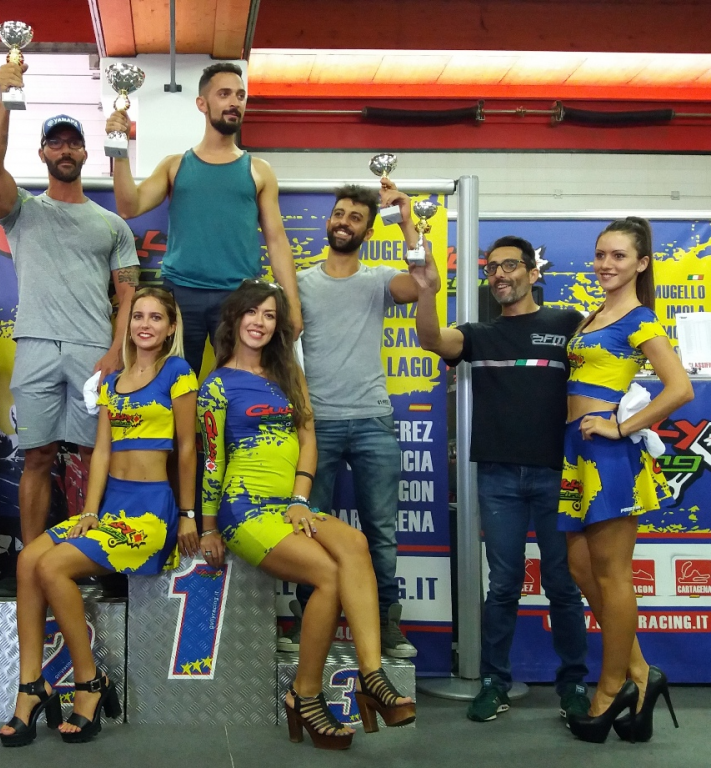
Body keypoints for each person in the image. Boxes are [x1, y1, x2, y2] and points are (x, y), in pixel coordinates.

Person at [198, 281, 415, 751]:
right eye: (252, 312)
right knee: (327, 576)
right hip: (245, 508)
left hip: (290, 504)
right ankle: (306, 694)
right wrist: (208, 526)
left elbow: (308, 438)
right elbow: (213, 460)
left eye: (269, 315)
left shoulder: (288, 373)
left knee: (356, 544)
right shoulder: (216, 385)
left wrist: (300, 497)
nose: (259, 322)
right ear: (234, 319)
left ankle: (371, 675)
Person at [0, 288, 197, 747]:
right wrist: (89, 511)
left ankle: (89, 682)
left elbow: (187, 449)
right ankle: (31, 686)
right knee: (28, 560)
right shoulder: (113, 381)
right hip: (111, 509)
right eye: (138, 316)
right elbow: (102, 451)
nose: (145, 324)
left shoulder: (178, 373)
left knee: (52, 567)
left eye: (156, 317)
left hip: (150, 514)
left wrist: (188, 514)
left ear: (171, 328)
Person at [413, 235, 591, 722]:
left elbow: (605, 369)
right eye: (492, 268)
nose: (499, 274)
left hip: (559, 474)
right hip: (498, 477)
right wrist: (426, 289)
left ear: (533, 273)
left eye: (510, 265)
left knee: (563, 584)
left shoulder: (567, 324)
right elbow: (430, 339)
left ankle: (574, 684)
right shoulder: (479, 335)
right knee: (504, 585)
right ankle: (495, 682)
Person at [0, 62, 140, 546]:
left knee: (95, 457)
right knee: (37, 455)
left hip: (93, 349)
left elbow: (129, 296)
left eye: (73, 143)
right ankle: (32, 561)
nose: (65, 150)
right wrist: (5, 99)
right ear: (43, 152)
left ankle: (91, 554)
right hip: (34, 345)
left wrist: (116, 351)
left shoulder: (113, 225)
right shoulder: (21, 210)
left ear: (86, 152)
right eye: (56, 143)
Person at [559, 217, 692, 743]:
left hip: (609, 455)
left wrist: (621, 427)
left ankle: (611, 689)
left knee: (613, 575)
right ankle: (641, 673)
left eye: (618, 256)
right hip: (577, 451)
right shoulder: (596, 314)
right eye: (600, 254)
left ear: (641, 263)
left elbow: (679, 388)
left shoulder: (640, 319)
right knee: (580, 567)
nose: (605, 264)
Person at [287, 184, 420, 659]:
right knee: (309, 529)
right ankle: (307, 621)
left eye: (356, 217)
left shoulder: (380, 280)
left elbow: (424, 283)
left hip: (371, 420)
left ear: (367, 230)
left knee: (381, 532)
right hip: (315, 425)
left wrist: (406, 219)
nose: (344, 222)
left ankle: (386, 624)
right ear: (329, 222)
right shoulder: (299, 284)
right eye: (339, 214)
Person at [108, 62, 301, 376]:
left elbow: (277, 241)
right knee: (175, 384)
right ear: (202, 103)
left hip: (239, 296)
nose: (234, 102)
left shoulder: (259, 170)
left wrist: (292, 304)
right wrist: (119, 148)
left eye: (240, 95)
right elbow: (129, 207)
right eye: (224, 94)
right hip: (182, 294)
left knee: (237, 386)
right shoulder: (174, 166)